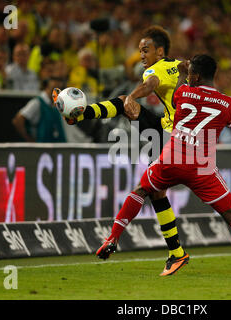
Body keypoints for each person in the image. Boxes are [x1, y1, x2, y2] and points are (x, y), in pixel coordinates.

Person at [96, 54, 231, 279]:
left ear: (194, 76)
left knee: (142, 190)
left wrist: (181, 73)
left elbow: (177, 100)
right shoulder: (229, 104)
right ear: (213, 74)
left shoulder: (183, 92)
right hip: (202, 167)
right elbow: (223, 121)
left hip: (171, 159)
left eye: (189, 74)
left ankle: (113, 237)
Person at [53, 25, 187, 269]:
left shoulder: (158, 69)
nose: (141, 56)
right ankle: (176, 253)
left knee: (145, 188)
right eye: (139, 51)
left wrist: (134, 97)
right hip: (170, 130)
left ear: (159, 51)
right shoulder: (176, 65)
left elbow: (151, 83)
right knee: (157, 192)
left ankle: (114, 238)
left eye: (145, 50)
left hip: (173, 137)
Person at [12, 77, 66, 142]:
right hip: (42, 148)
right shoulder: (36, 103)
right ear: (47, 87)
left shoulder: (56, 105)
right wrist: (30, 140)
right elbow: (17, 120)